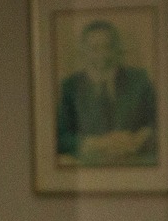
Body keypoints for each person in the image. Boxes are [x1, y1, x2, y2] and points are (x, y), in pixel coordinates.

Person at [55, 20, 158, 166]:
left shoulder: (139, 80)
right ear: (84, 52)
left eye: (107, 47)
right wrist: (97, 143)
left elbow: (161, 124)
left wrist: (139, 139)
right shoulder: (70, 86)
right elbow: (59, 138)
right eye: (94, 48)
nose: (102, 55)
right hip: (91, 168)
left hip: (135, 163)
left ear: (117, 49)